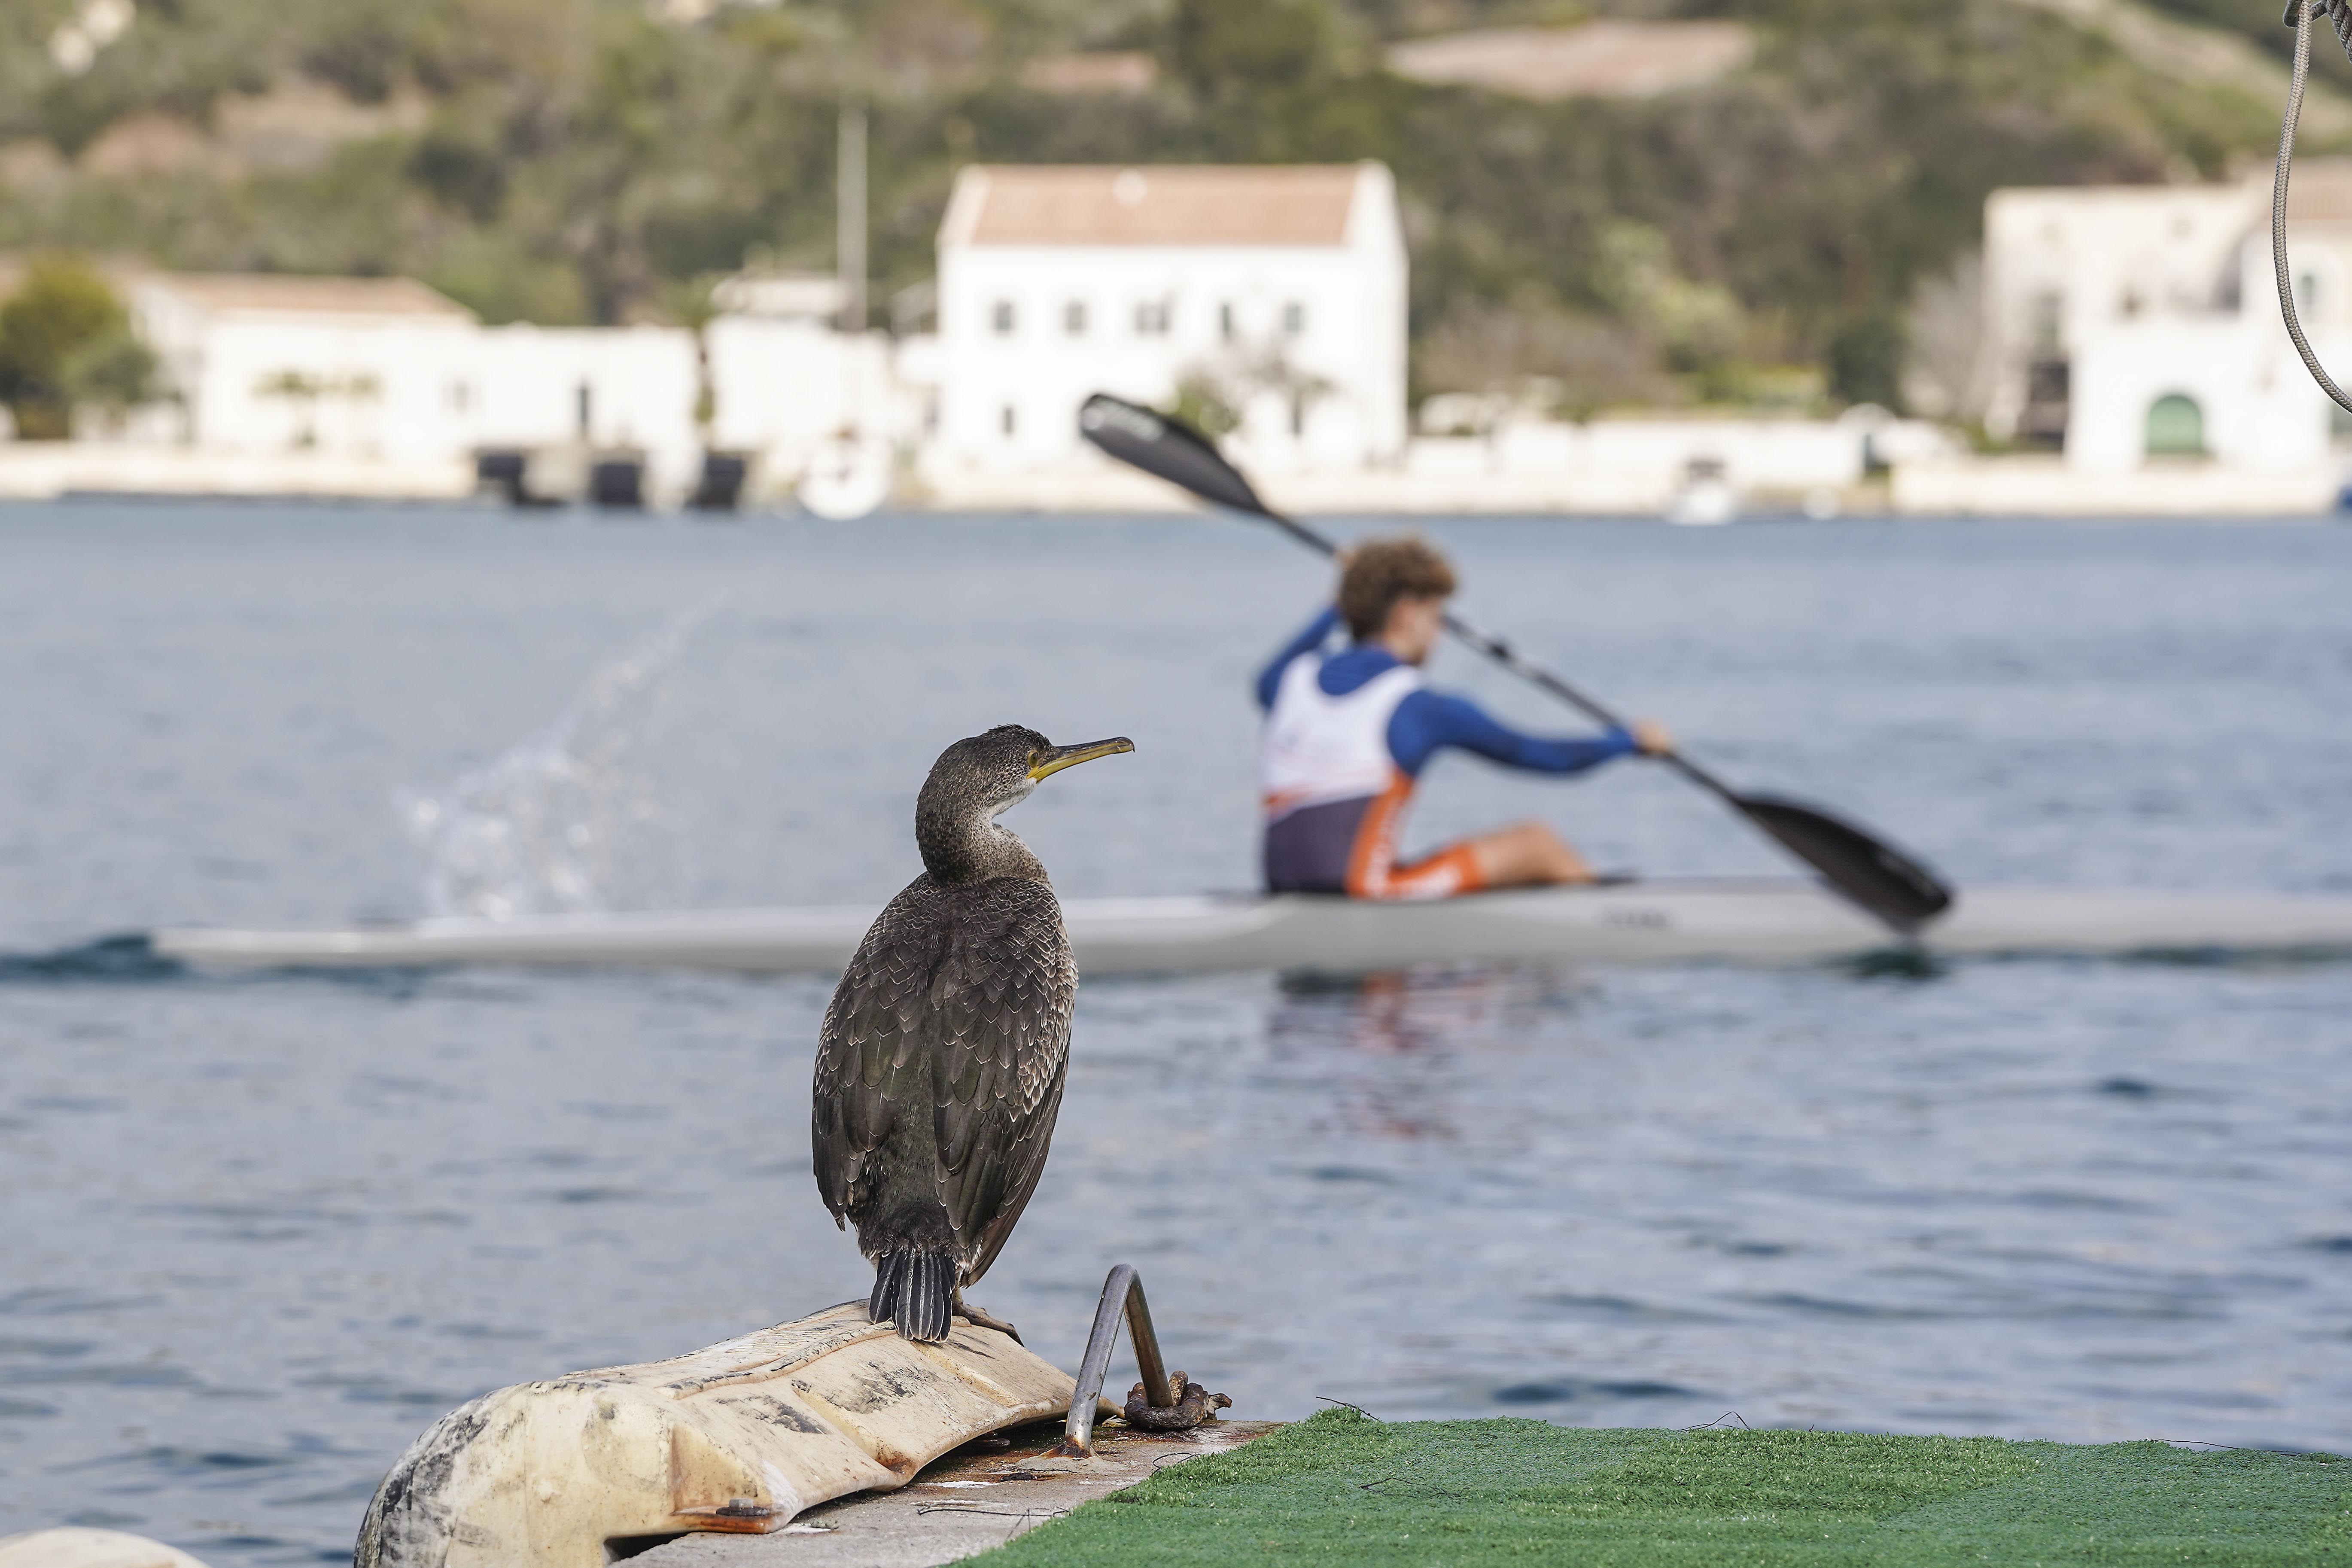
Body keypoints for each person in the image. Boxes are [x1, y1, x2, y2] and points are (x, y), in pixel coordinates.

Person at [1255, 535, 1670, 899]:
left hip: (1283, 887)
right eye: (1436, 615)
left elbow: (1278, 666)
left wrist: (1337, 601)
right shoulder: (1423, 707)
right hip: (1366, 893)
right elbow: (1541, 756)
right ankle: (1617, 935)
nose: (1438, 633)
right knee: (1537, 845)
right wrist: (1627, 742)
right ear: (1407, 614)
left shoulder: (1288, 680)